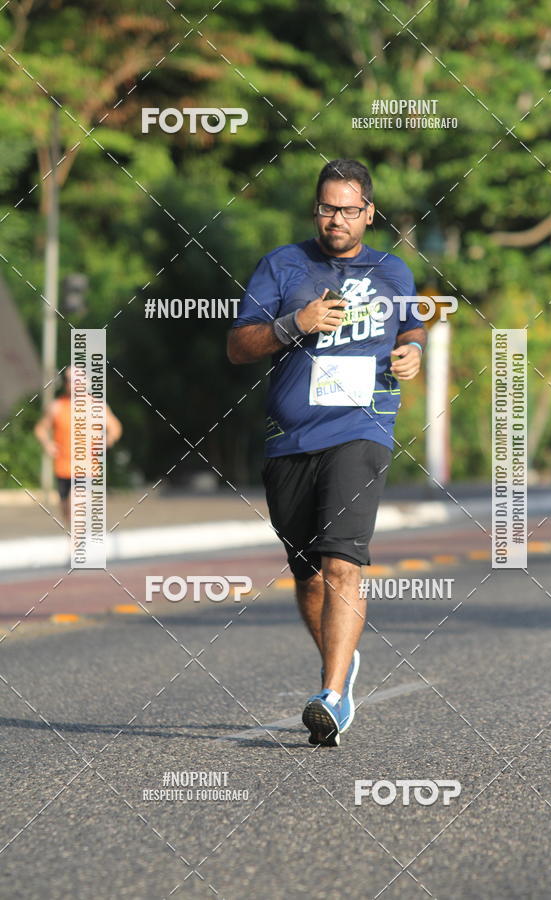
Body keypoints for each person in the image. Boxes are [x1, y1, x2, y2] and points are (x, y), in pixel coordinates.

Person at [227, 159, 426, 746]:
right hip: (290, 440)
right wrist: (296, 323)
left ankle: (333, 695)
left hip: (361, 430)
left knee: (343, 562)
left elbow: (411, 327)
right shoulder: (282, 266)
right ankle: (343, 663)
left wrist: (413, 354)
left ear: (368, 212)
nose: (335, 219)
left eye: (347, 209)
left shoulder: (391, 270)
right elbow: (239, 345)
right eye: (326, 207)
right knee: (309, 574)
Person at [34, 366, 122, 528]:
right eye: (69, 381)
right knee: (67, 512)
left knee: (77, 505)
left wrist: (106, 441)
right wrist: (48, 444)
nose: (74, 385)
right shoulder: (57, 406)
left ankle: (78, 544)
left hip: (87, 467)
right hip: (63, 467)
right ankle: (78, 538)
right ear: (66, 384)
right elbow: (40, 429)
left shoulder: (98, 407)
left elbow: (115, 428)